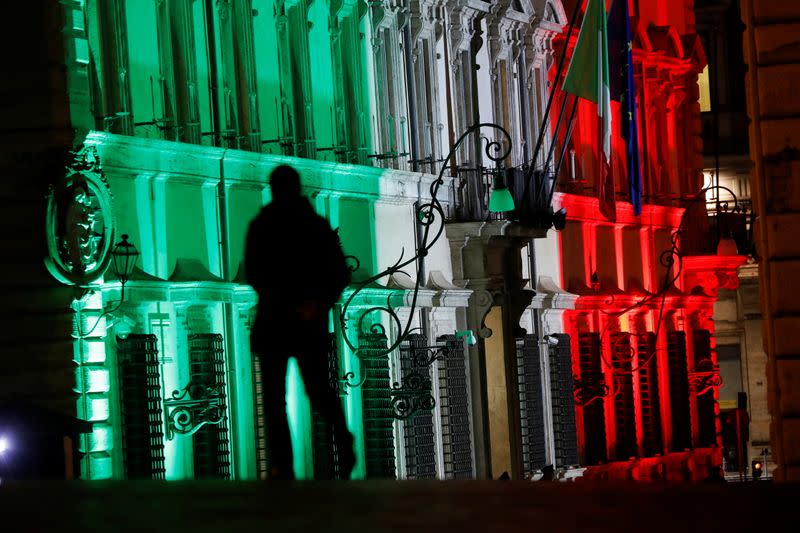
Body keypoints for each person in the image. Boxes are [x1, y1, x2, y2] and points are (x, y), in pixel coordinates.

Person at [245, 165, 355, 480]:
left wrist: (286, 298)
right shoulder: (316, 226)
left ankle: (284, 466)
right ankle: (338, 442)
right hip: (306, 323)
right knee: (315, 391)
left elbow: (254, 273)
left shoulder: (263, 225)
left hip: (276, 321)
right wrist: (316, 303)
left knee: (279, 398)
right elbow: (339, 273)